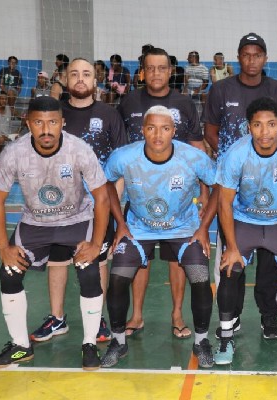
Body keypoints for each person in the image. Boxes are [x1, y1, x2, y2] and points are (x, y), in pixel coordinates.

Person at [0, 95, 110, 370]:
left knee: (89, 270)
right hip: (35, 223)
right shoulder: (14, 152)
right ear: (28, 123)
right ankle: (20, 346)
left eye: (52, 122)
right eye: (39, 123)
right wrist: (3, 248)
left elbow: (102, 198)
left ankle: (89, 344)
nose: (46, 130)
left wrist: (96, 243)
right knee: (9, 273)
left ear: (62, 123)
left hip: (76, 220)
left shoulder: (78, 149)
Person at [101, 105, 217, 368]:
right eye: (151, 128)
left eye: (165, 129)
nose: (157, 135)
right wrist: (120, 224)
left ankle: (201, 342)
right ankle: (118, 342)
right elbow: (107, 183)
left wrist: (203, 228)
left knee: (200, 279)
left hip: (184, 229)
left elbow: (218, 185)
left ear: (174, 131)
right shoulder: (124, 157)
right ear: (143, 130)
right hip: (138, 228)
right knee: (117, 279)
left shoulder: (193, 157)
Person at [203, 32, 277, 340]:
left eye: (258, 54)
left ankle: (269, 316)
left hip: (272, 190)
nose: (252, 60)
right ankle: (231, 317)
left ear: (265, 58)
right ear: (238, 57)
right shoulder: (221, 89)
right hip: (234, 187)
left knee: (271, 262)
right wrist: (234, 161)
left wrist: (268, 162)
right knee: (232, 257)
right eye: (246, 54)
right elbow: (210, 130)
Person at [29, 58, 127, 344]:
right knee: (57, 261)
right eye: (74, 74)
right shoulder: (54, 115)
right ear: (66, 80)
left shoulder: (110, 114)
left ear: (95, 81)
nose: (80, 79)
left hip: (98, 206)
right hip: (59, 207)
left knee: (98, 260)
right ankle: (57, 318)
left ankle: (98, 319)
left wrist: (111, 206)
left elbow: (120, 165)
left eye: (86, 74)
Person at [214, 96, 277, 365]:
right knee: (229, 268)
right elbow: (224, 202)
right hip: (245, 220)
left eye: (271, 124)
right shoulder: (236, 154)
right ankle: (225, 338)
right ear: (249, 127)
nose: (264, 132)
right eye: (257, 125)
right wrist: (231, 248)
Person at [117, 47, 206, 338]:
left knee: (176, 259)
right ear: (142, 73)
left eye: (162, 68)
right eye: (150, 68)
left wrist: (204, 192)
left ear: (170, 72)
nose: (156, 73)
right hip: (140, 198)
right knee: (139, 258)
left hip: (178, 199)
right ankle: (137, 315)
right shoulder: (129, 101)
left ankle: (177, 315)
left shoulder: (184, 103)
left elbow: (197, 147)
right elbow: (121, 149)